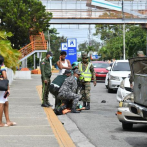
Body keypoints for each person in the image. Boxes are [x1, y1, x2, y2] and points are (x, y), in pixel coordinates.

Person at [0, 55, 16, 127]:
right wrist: (8, 89)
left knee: (6, 103)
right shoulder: (2, 67)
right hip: (1, 88)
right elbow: (5, 78)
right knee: (1, 103)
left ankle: (8, 121)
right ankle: (0, 122)